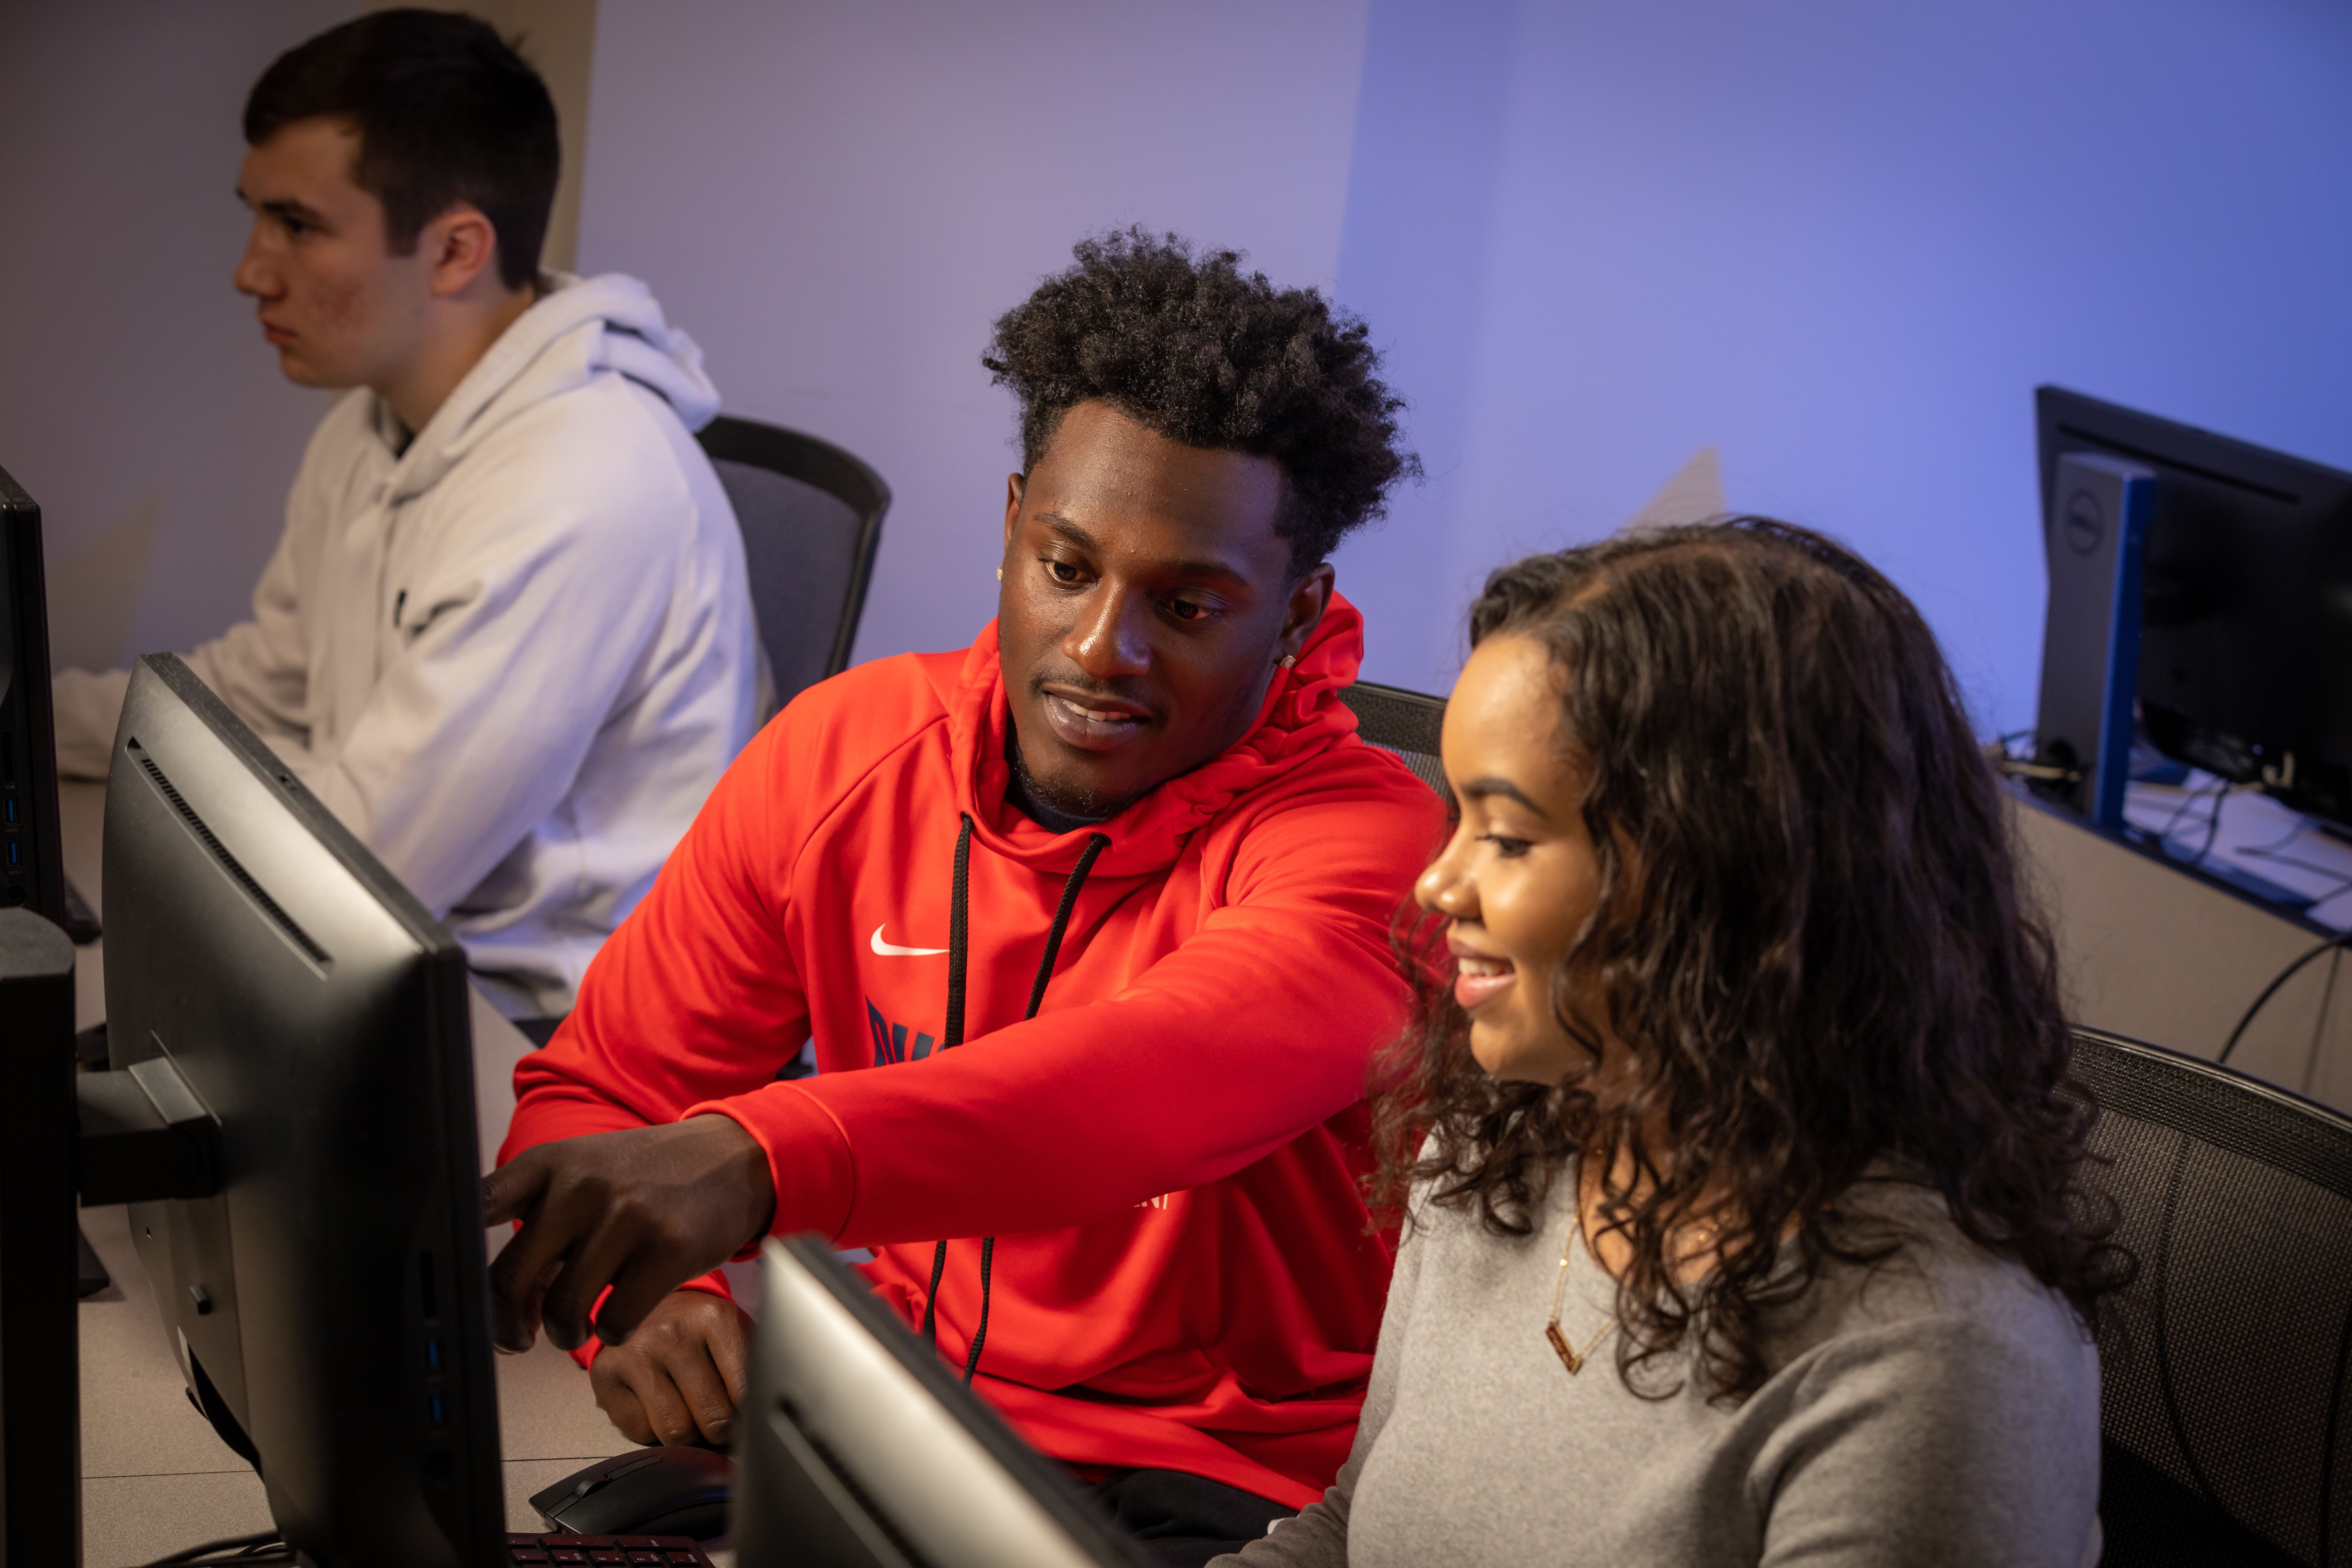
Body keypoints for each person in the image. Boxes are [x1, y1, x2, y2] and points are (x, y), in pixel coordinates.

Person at [482, 229, 1439, 1561]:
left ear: (1296, 612)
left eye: (1191, 604)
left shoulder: (1376, 847)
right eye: (1067, 566)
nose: (1104, 649)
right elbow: (611, 1092)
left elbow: (1131, 1090)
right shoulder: (847, 751)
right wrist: (647, 1302)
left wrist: (758, 1163)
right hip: (893, 1431)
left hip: (1232, 1504)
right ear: (1009, 528)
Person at [1220, 520, 2128, 1567]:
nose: (1439, 883)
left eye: (1508, 836)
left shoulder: (1936, 1365)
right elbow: (1348, 1534)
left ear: (1724, 878)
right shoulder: (1501, 1149)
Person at [51, 10, 759, 1025]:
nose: (252, 269)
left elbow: (368, 863)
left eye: (298, 225)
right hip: (403, 949)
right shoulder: (373, 424)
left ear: (455, 250)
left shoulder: (586, 483)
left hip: (554, 1035)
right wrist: (25, 723)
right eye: (257, 218)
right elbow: (268, 686)